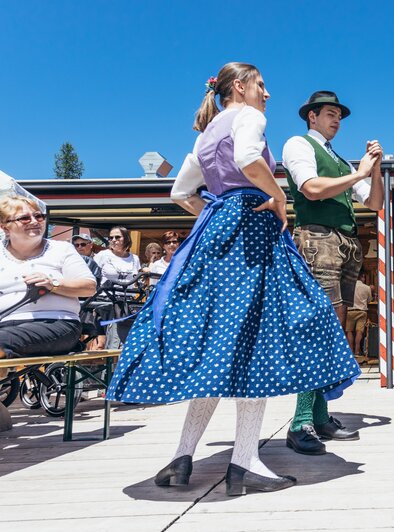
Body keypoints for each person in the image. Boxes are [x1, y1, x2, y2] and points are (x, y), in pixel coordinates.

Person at [105, 63, 359, 496]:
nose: (268, 93)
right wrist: (276, 196)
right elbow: (246, 158)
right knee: (258, 342)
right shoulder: (249, 116)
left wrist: (218, 212)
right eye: (262, 84)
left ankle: (182, 459)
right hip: (253, 230)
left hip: (216, 232)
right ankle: (243, 463)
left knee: (221, 349)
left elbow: (180, 193)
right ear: (240, 87)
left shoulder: (204, 134)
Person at [281, 90, 384, 454]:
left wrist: (375, 168)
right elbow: (309, 189)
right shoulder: (299, 144)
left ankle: (320, 415)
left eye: (339, 114)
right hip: (318, 239)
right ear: (311, 116)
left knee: (331, 331)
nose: (336, 119)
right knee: (317, 327)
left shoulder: (337, 158)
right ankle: (301, 421)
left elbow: (373, 202)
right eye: (329, 113)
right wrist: (358, 170)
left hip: (344, 244)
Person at [0, 197, 97, 360]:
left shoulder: (61, 249)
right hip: (5, 324)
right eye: (25, 218)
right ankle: (6, 385)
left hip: (56, 323)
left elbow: (89, 287)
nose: (35, 221)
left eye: (39, 216)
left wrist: (53, 284)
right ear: (5, 227)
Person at [345, 273, 372, 362]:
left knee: (349, 331)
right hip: (362, 311)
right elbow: (369, 300)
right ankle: (357, 351)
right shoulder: (367, 288)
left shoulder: (348, 287)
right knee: (359, 331)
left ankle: (351, 351)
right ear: (362, 277)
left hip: (350, 311)